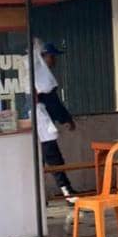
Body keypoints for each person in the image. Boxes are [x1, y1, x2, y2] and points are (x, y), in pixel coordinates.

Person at [34, 41, 77, 203]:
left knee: (45, 158)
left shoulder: (39, 75)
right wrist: (66, 119)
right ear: (44, 57)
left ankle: (48, 194)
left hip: (39, 123)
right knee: (53, 158)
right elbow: (53, 102)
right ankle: (67, 192)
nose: (54, 60)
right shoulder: (41, 77)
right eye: (52, 57)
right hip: (41, 123)